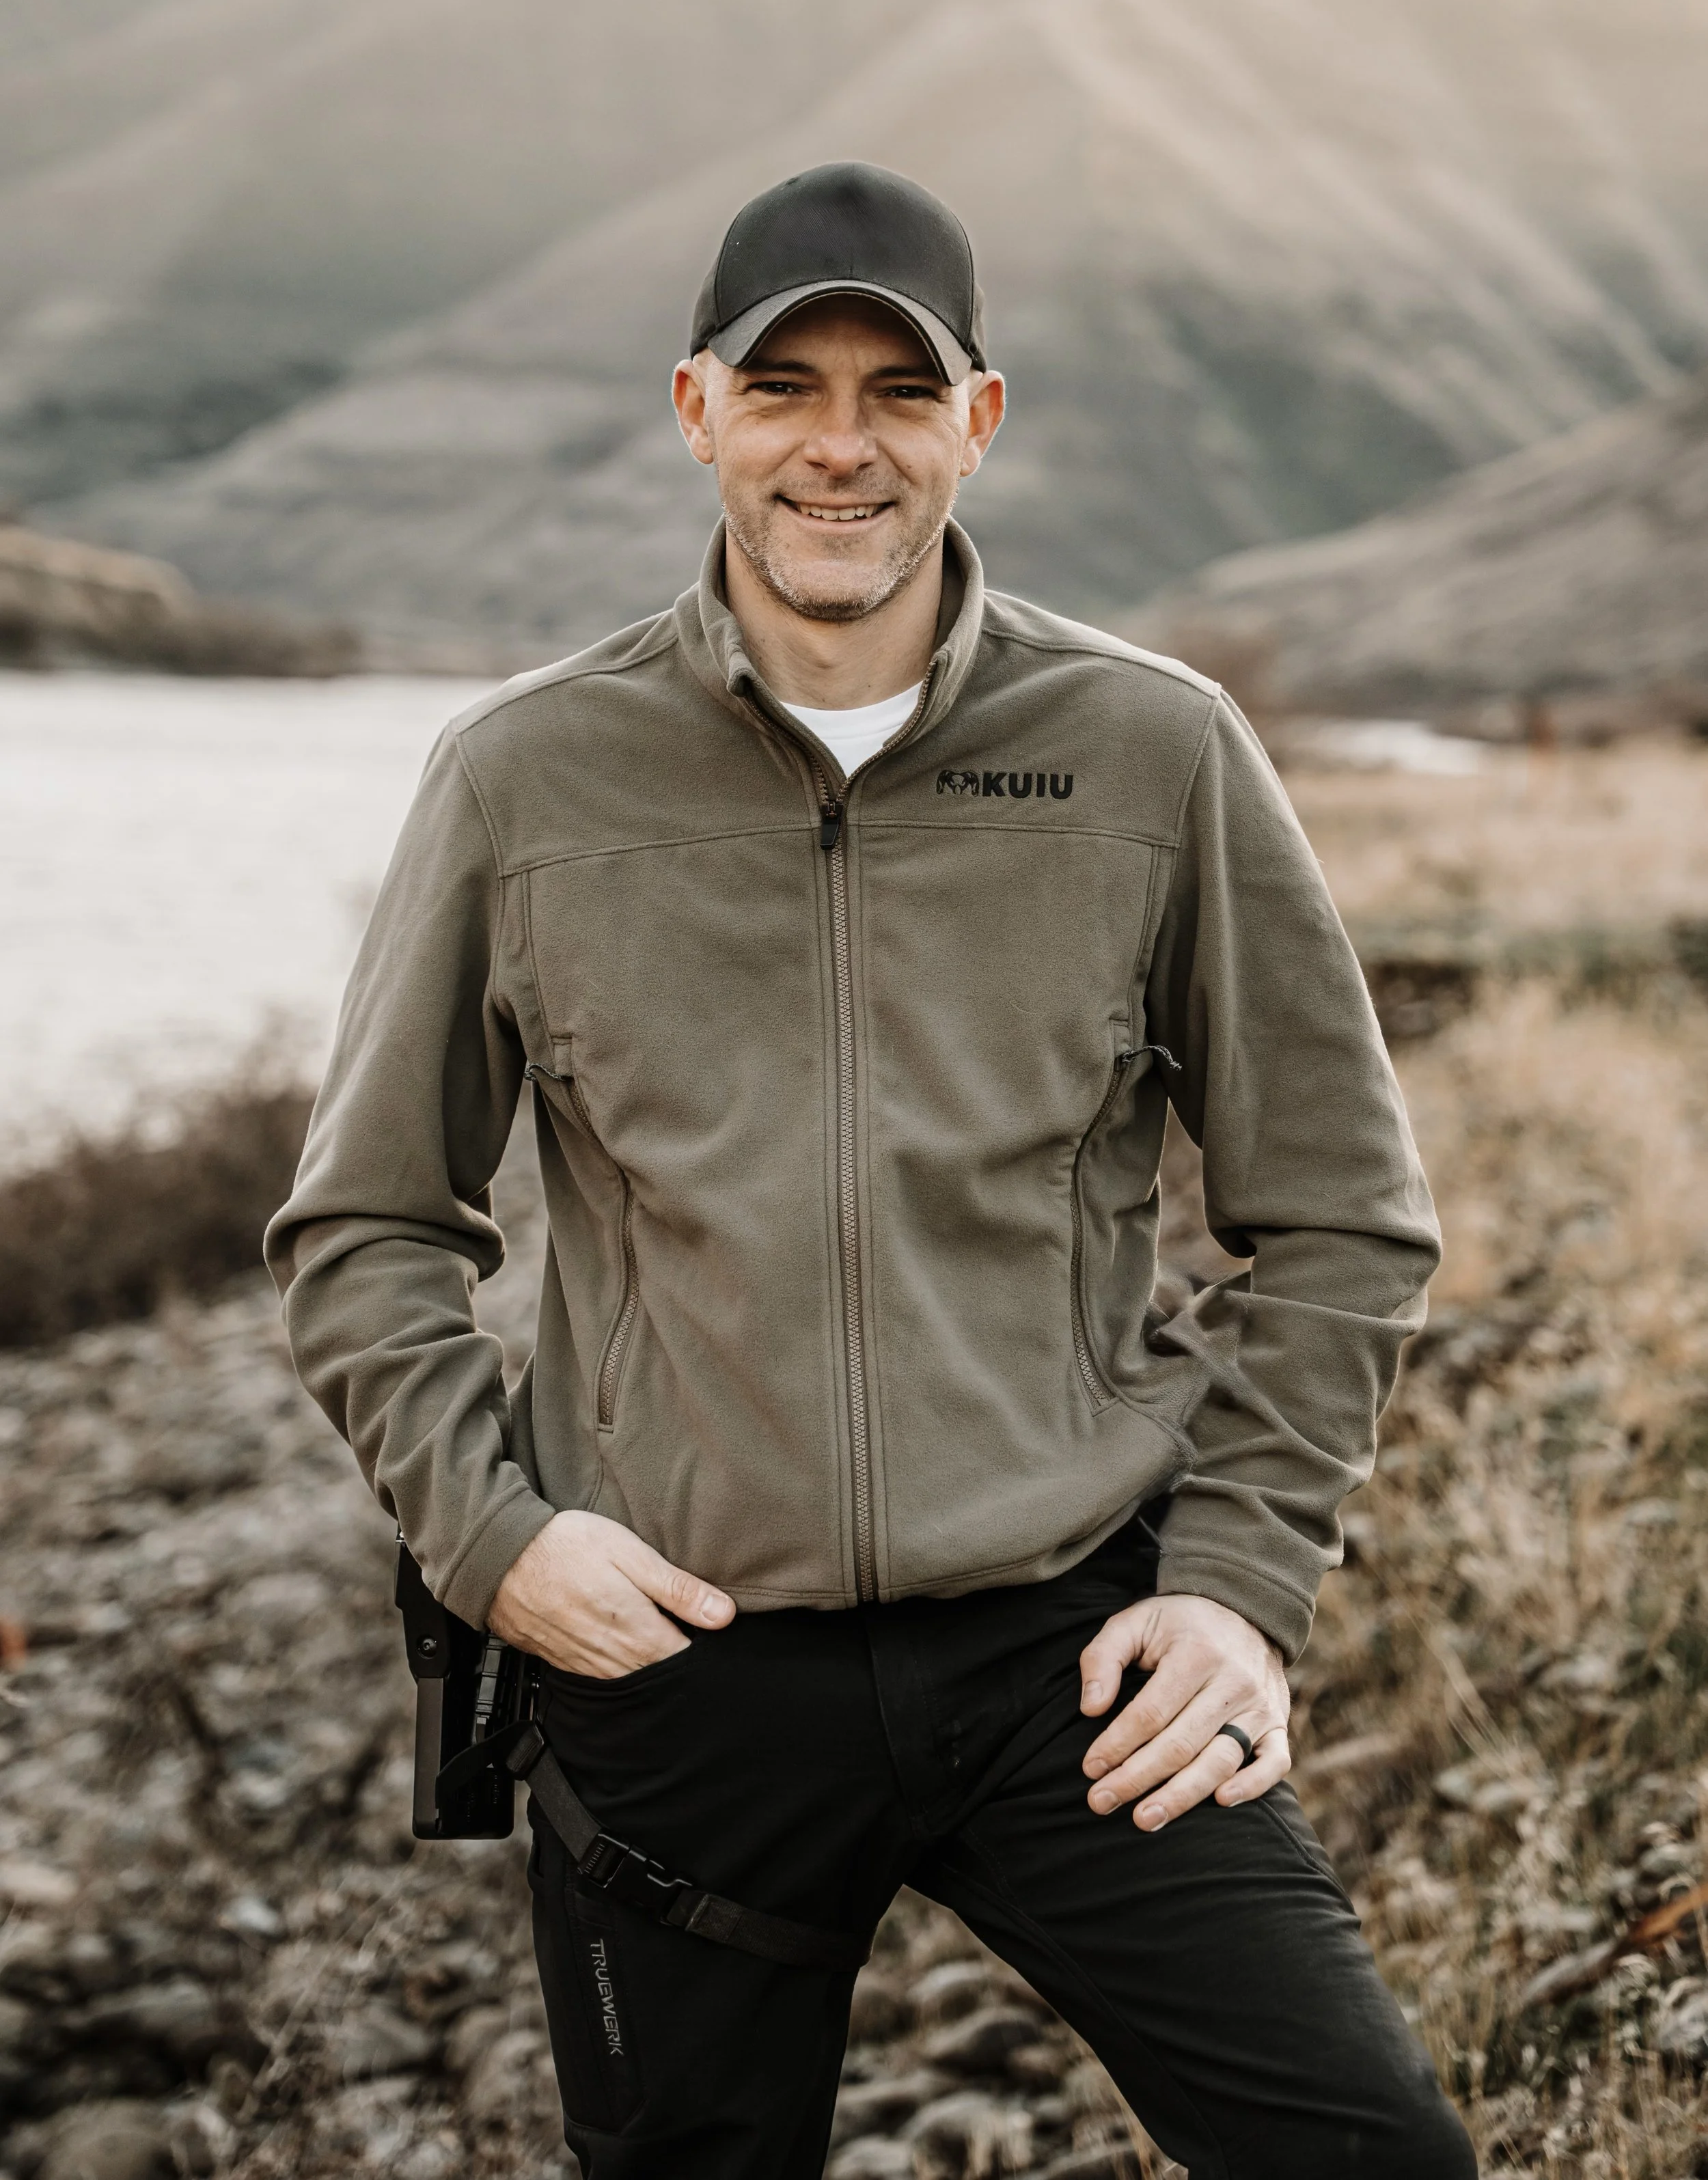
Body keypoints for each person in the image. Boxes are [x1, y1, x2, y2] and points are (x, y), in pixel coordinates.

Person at [267, 162, 1475, 2179]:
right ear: (696, 412)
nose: (840, 444)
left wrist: (1241, 1590)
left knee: (1371, 2153)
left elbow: (1344, 1211)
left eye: (897, 391)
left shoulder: (1153, 754)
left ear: (976, 420)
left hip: (1068, 1650)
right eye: (786, 386)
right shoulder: (522, 778)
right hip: (669, 1665)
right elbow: (367, 1224)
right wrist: (496, 1540)